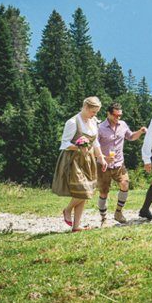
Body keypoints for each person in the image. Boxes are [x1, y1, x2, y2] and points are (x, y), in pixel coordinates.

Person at [52, 96, 108, 232]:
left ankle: (76, 226)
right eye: (93, 111)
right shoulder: (72, 122)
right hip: (74, 160)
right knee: (84, 190)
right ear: (85, 107)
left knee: (84, 191)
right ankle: (67, 210)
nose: (94, 115)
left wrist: (101, 157)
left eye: (96, 112)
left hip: (88, 160)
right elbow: (64, 143)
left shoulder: (93, 121)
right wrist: (79, 147)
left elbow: (95, 142)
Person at [97, 102, 147, 225]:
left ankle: (118, 212)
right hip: (103, 165)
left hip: (119, 163)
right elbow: (93, 147)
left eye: (120, 115)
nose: (118, 118)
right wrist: (103, 157)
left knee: (125, 184)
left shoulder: (123, 125)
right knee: (104, 192)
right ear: (108, 113)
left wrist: (140, 132)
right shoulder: (100, 128)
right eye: (115, 115)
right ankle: (103, 218)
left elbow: (130, 137)